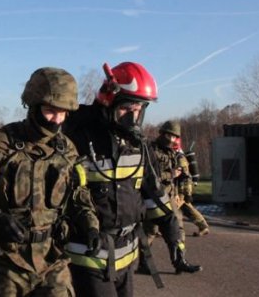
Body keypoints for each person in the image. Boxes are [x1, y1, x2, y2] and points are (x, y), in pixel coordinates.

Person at [63, 62, 198, 296]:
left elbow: (154, 197)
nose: (132, 117)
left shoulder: (139, 147)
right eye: (126, 109)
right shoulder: (77, 138)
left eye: (138, 110)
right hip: (88, 255)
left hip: (127, 257)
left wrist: (175, 239)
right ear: (108, 102)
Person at [0, 67, 96, 296]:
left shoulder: (67, 150)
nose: (57, 120)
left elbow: (79, 196)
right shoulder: (0, 144)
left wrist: (91, 226)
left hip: (52, 259)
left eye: (63, 113)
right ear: (33, 106)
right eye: (50, 111)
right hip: (7, 261)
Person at [143, 120, 202, 274]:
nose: (171, 139)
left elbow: (185, 175)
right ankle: (144, 263)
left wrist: (184, 194)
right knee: (150, 231)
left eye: (175, 136)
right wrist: (170, 174)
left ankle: (179, 261)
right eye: (169, 135)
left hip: (171, 199)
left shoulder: (175, 153)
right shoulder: (151, 151)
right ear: (162, 133)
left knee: (178, 230)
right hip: (153, 198)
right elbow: (147, 175)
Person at [173, 137, 210, 236]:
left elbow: (185, 177)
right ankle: (203, 226)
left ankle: (159, 229)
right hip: (178, 189)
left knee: (170, 209)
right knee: (187, 208)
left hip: (181, 190)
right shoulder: (176, 156)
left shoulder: (180, 158)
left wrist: (187, 193)